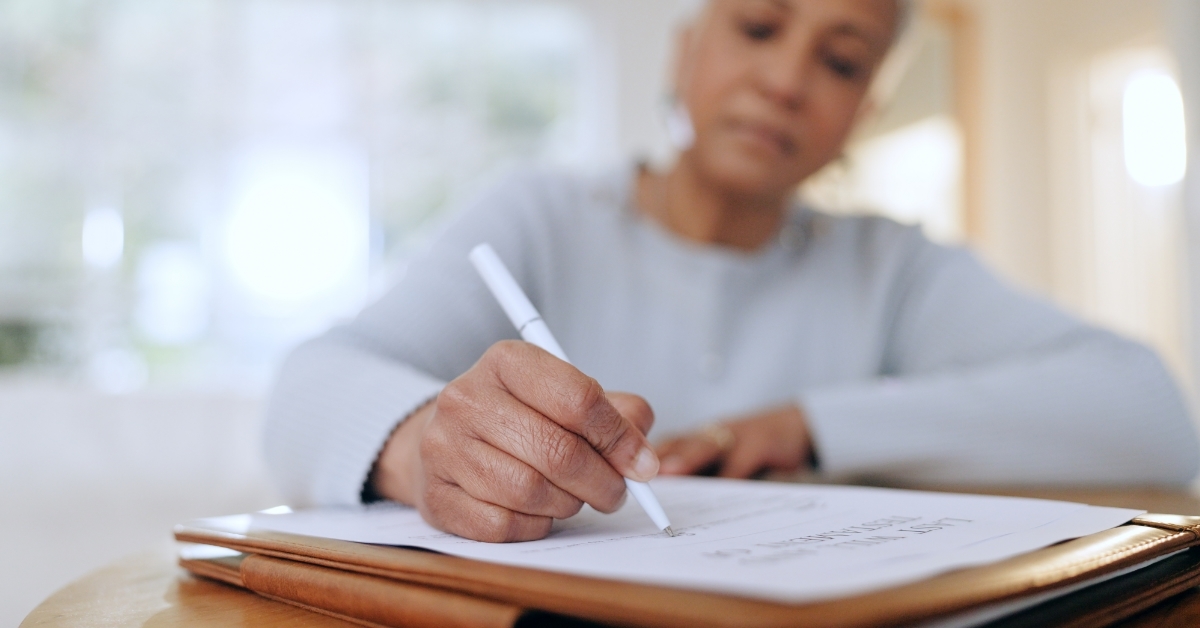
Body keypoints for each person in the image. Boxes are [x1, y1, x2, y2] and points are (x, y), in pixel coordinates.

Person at [264, 0, 1200, 543]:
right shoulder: (540, 217)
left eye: (839, 62)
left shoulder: (890, 267)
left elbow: (1148, 412)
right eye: (758, 25)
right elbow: (303, 390)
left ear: (862, 111)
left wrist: (811, 427)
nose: (787, 82)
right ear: (688, 47)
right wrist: (425, 443)